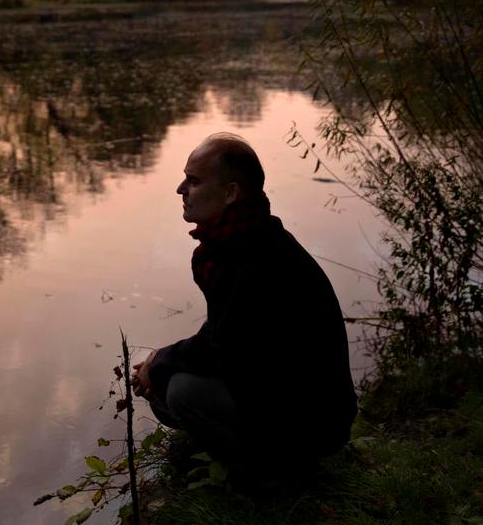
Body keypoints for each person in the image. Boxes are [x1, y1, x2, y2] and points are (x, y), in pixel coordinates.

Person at [130, 133, 357, 480]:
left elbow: (222, 349)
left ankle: (267, 477)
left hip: (314, 422)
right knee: (167, 381)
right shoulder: (238, 243)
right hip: (275, 392)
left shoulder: (260, 259)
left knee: (181, 391)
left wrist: (160, 362)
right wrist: (160, 363)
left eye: (193, 180)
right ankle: (241, 453)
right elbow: (226, 336)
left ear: (230, 193)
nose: (180, 189)